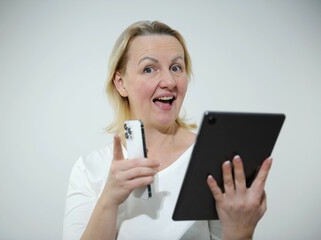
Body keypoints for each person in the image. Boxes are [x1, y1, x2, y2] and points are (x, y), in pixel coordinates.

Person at [63, 20, 272, 240]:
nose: (169, 81)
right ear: (121, 83)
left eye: (176, 67)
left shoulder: (212, 158)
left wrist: (242, 230)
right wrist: (108, 200)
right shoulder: (89, 170)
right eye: (149, 69)